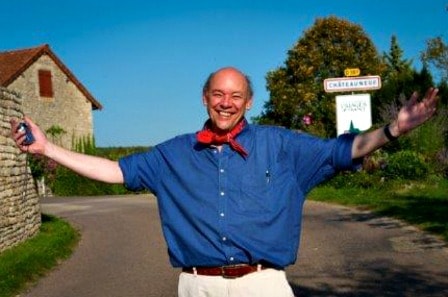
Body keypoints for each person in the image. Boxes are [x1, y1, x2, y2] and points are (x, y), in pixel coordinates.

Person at [11, 67, 438, 297]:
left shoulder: (281, 146)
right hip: (198, 285)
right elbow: (115, 171)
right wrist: (49, 150)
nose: (226, 103)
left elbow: (341, 150)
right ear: (205, 98)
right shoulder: (173, 154)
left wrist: (393, 131)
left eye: (236, 96)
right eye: (218, 94)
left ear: (248, 102)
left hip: (263, 285)